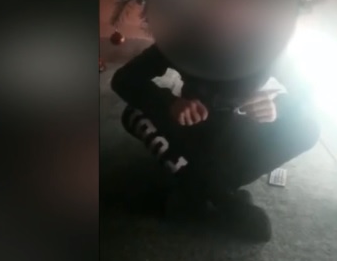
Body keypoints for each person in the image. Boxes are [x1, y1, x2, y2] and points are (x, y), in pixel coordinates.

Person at [111, 44, 319, 243]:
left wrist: (277, 107)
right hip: (189, 122)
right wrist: (171, 103)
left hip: (235, 125)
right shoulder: (181, 38)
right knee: (133, 113)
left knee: (308, 129)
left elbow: (307, 94)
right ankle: (219, 194)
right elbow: (123, 79)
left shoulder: (270, 45)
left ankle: (201, 189)